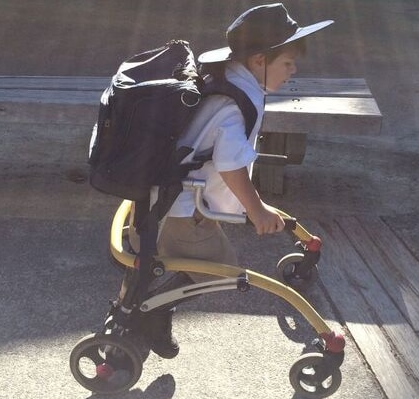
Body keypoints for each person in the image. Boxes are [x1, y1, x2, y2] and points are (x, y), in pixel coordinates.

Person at [131, 3, 333, 359]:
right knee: (217, 272)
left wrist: (255, 205)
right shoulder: (234, 102)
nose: (293, 70)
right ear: (259, 60)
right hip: (186, 210)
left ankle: (140, 306)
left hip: (177, 200)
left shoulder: (229, 80)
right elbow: (229, 165)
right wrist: (255, 211)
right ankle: (152, 310)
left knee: (173, 264)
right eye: (287, 63)